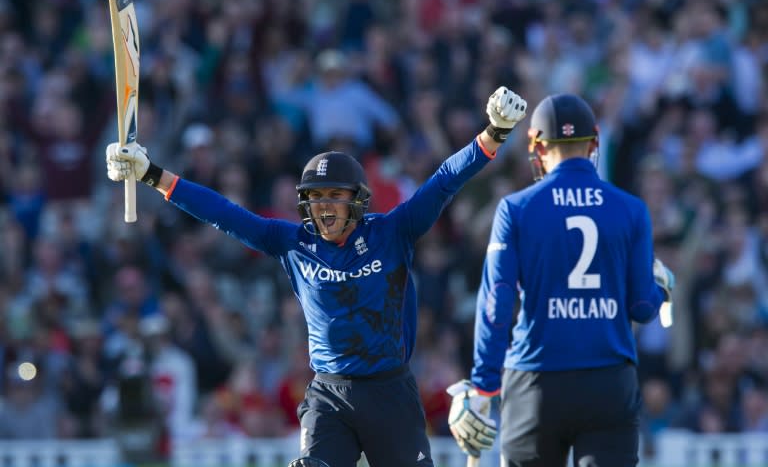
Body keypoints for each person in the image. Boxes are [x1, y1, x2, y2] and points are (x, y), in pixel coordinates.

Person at [105, 86, 528, 466]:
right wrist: (152, 174)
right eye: (315, 198)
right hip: (329, 394)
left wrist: (494, 133)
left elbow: (443, 182)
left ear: (358, 201)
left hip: (390, 393)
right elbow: (224, 214)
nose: (324, 207)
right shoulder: (292, 242)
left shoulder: (393, 231)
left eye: (334, 197)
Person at [445, 93, 676, 467]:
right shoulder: (631, 209)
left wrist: (483, 383)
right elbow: (642, 307)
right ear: (594, 141)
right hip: (608, 380)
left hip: (535, 381)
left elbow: (497, 302)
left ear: (537, 144)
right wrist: (661, 287)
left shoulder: (515, 208)